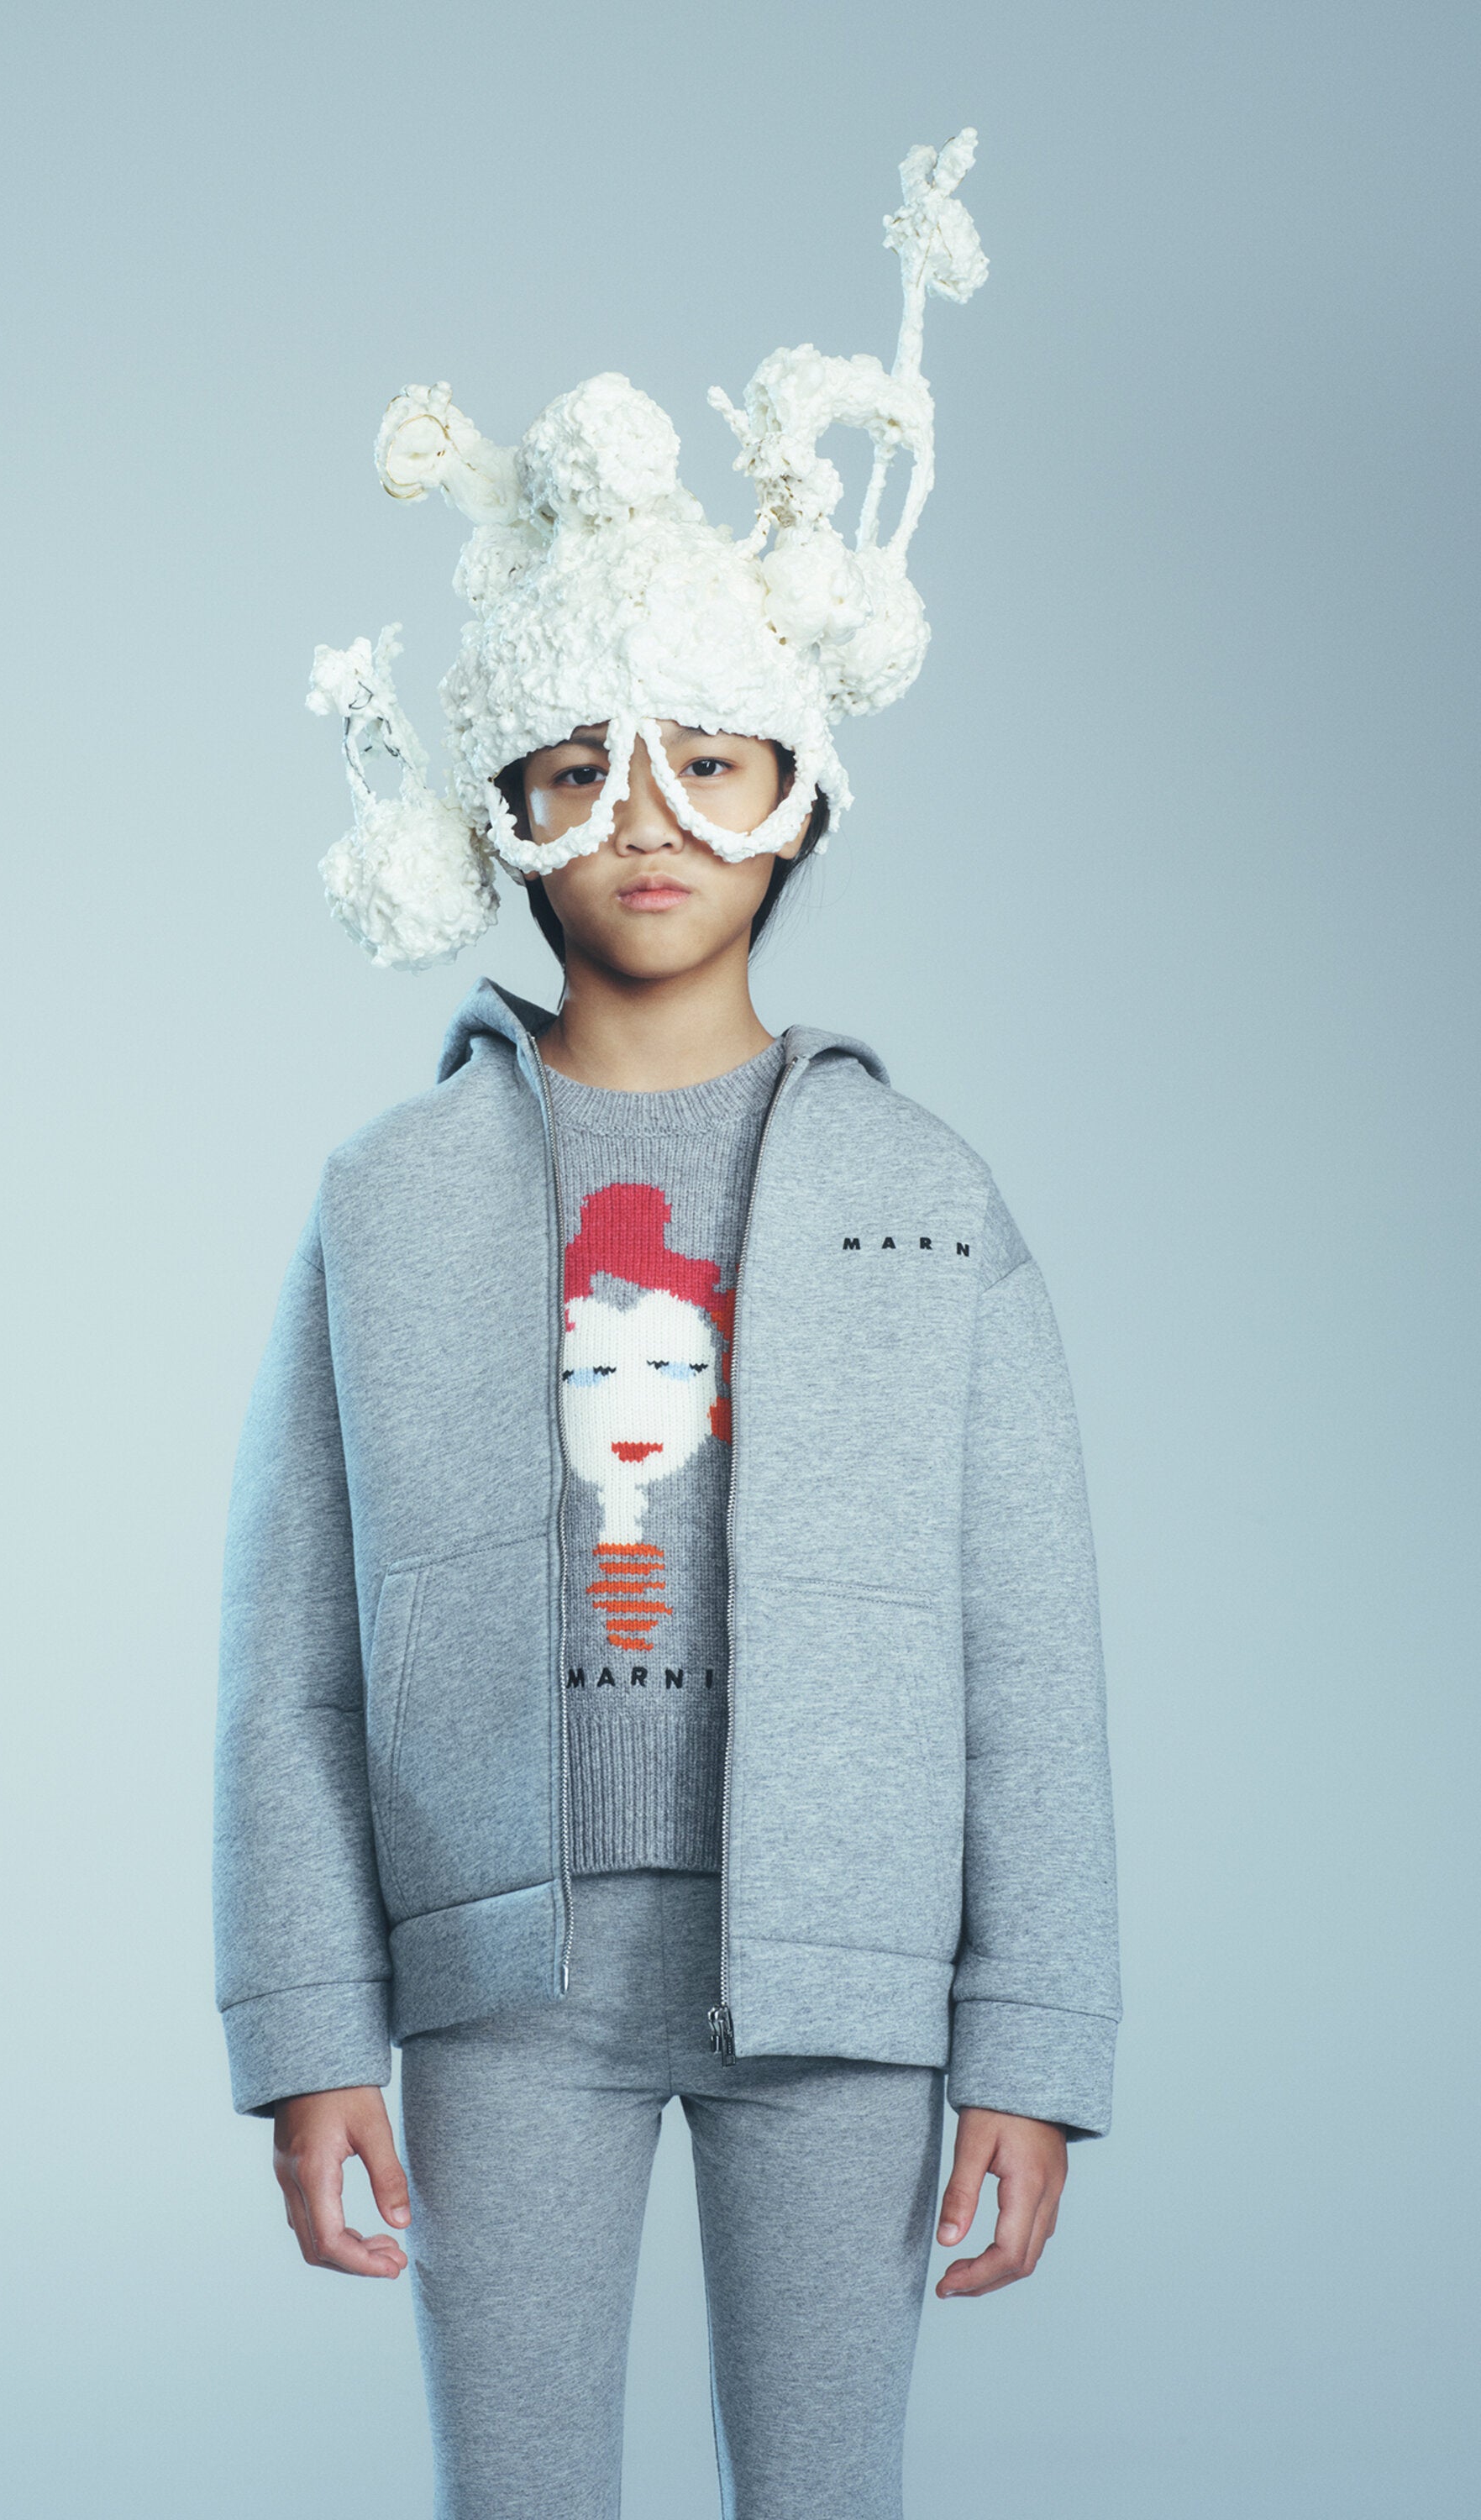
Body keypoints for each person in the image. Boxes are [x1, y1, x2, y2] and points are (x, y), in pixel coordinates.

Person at [213, 134, 1121, 2520]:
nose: (648, 821)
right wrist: (306, 2030)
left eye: (707, 763)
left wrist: (1029, 2041)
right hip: (499, 1990)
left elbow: (1028, 1652)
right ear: (500, 811)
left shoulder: (927, 1200)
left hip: (846, 1986)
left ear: (798, 795)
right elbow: (287, 1663)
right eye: (578, 771)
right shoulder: (389, 1201)